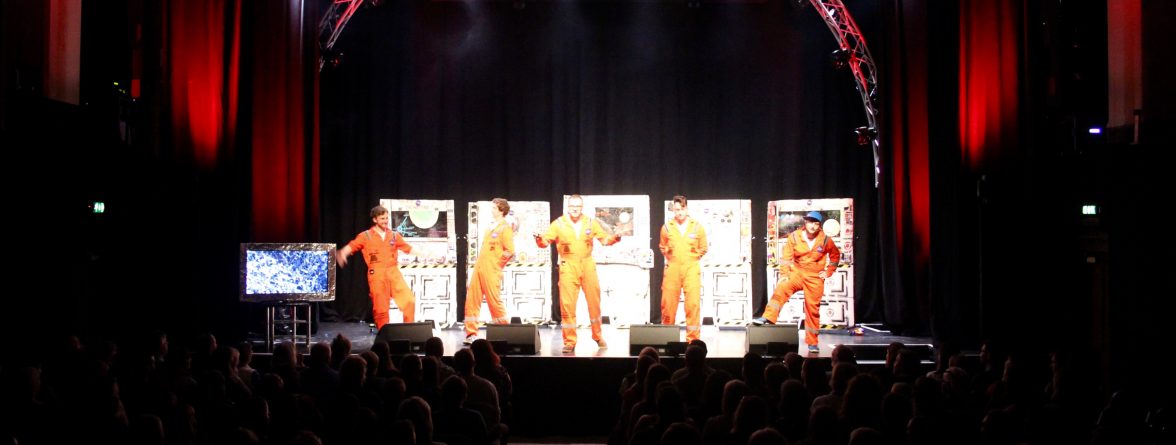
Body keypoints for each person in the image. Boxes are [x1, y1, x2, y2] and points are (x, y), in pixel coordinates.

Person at [534, 194, 621, 354]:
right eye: (572, 206)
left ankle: (597, 336)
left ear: (582, 207)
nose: (575, 209)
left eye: (578, 206)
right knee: (567, 306)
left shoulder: (590, 222)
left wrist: (615, 237)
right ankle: (569, 341)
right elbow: (545, 241)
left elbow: (604, 239)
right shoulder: (559, 224)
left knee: (594, 302)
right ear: (568, 207)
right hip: (568, 266)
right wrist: (539, 239)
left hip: (587, 265)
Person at [752, 211, 841, 354]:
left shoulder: (825, 239)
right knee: (782, 288)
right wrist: (784, 274)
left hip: (815, 277)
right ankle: (767, 316)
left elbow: (835, 255)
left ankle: (812, 342)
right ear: (805, 222)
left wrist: (829, 271)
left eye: (816, 223)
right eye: (810, 222)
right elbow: (786, 257)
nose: (813, 226)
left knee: (813, 309)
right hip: (797, 273)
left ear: (819, 225)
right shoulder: (794, 236)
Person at [337, 205, 419, 327]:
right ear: (375, 219)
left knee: (409, 301)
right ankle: (383, 334)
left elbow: (408, 248)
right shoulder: (365, 236)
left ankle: (409, 329)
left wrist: (425, 253)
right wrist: (343, 253)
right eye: (382, 218)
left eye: (386, 218)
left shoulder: (394, 235)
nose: (385, 221)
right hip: (377, 275)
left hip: (393, 273)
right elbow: (353, 246)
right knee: (381, 309)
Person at [464, 198, 516, 345]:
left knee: (494, 300)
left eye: (494, 208)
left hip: (491, 269)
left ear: (501, 210)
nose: (491, 210)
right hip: (480, 267)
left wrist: (497, 264)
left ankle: (504, 332)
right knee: (472, 299)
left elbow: (510, 251)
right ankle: (471, 333)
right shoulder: (491, 226)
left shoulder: (505, 228)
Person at [659, 195, 708, 342]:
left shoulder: (697, 227)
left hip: (691, 269)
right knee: (668, 304)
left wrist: (692, 257)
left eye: (681, 209)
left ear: (686, 208)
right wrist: (669, 253)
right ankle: (667, 340)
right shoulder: (667, 227)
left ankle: (693, 341)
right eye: (676, 210)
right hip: (672, 269)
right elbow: (662, 246)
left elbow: (704, 248)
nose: (679, 212)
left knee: (692, 305)